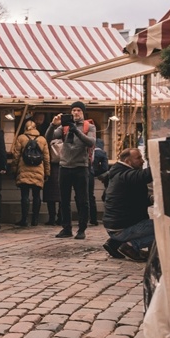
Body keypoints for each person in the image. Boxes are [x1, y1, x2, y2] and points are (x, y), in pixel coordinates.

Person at [46, 101, 96, 239]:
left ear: (83, 112)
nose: (75, 113)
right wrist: (53, 124)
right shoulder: (64, 127)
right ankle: (66, 228)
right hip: (65, 167)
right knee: (64, 199)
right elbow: (47, 138)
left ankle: (81, 229)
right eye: (73, 110)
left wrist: (76, 131)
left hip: (81, 167)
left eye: (78, 110)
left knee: (82, 200)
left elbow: (91, 142)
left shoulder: (89, 126)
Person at [102, 148, 154, 262]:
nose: (142, 161)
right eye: (138, 158)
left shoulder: (116, 173)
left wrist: (151, 199)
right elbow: (144, 175)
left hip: (114, 226)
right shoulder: (124, 174)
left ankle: (114, 243)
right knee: (162, 227)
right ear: (128, 161)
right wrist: (165, 161)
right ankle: (131, 246)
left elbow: (132, 199)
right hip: (121, 227)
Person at [11, 119, 50, 226]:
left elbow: (16, 156)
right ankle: (35, 220)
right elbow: (46, 158)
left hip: (24, 170)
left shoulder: (21, 138)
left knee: (25, 195)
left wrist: (14, 169)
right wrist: (47, 172)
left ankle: (24, 219)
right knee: (36, 195)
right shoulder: (42, 139)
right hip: (38, 170)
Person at [88, 138, 109, 225]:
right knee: (91, 197)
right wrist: (95, 173)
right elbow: (104, 168)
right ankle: (94, 219)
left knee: (80, 196)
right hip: (91, 176)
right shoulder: (102, 153)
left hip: (82, 173)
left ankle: (83, 219)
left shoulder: (87, 150)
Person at [43, 139, 63, 225]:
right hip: (62, 169)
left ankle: (52, 218)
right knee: (62, 197)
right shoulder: (65, 142)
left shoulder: (48, 142)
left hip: (51, 171)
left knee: (50, 198)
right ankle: (61, 217)